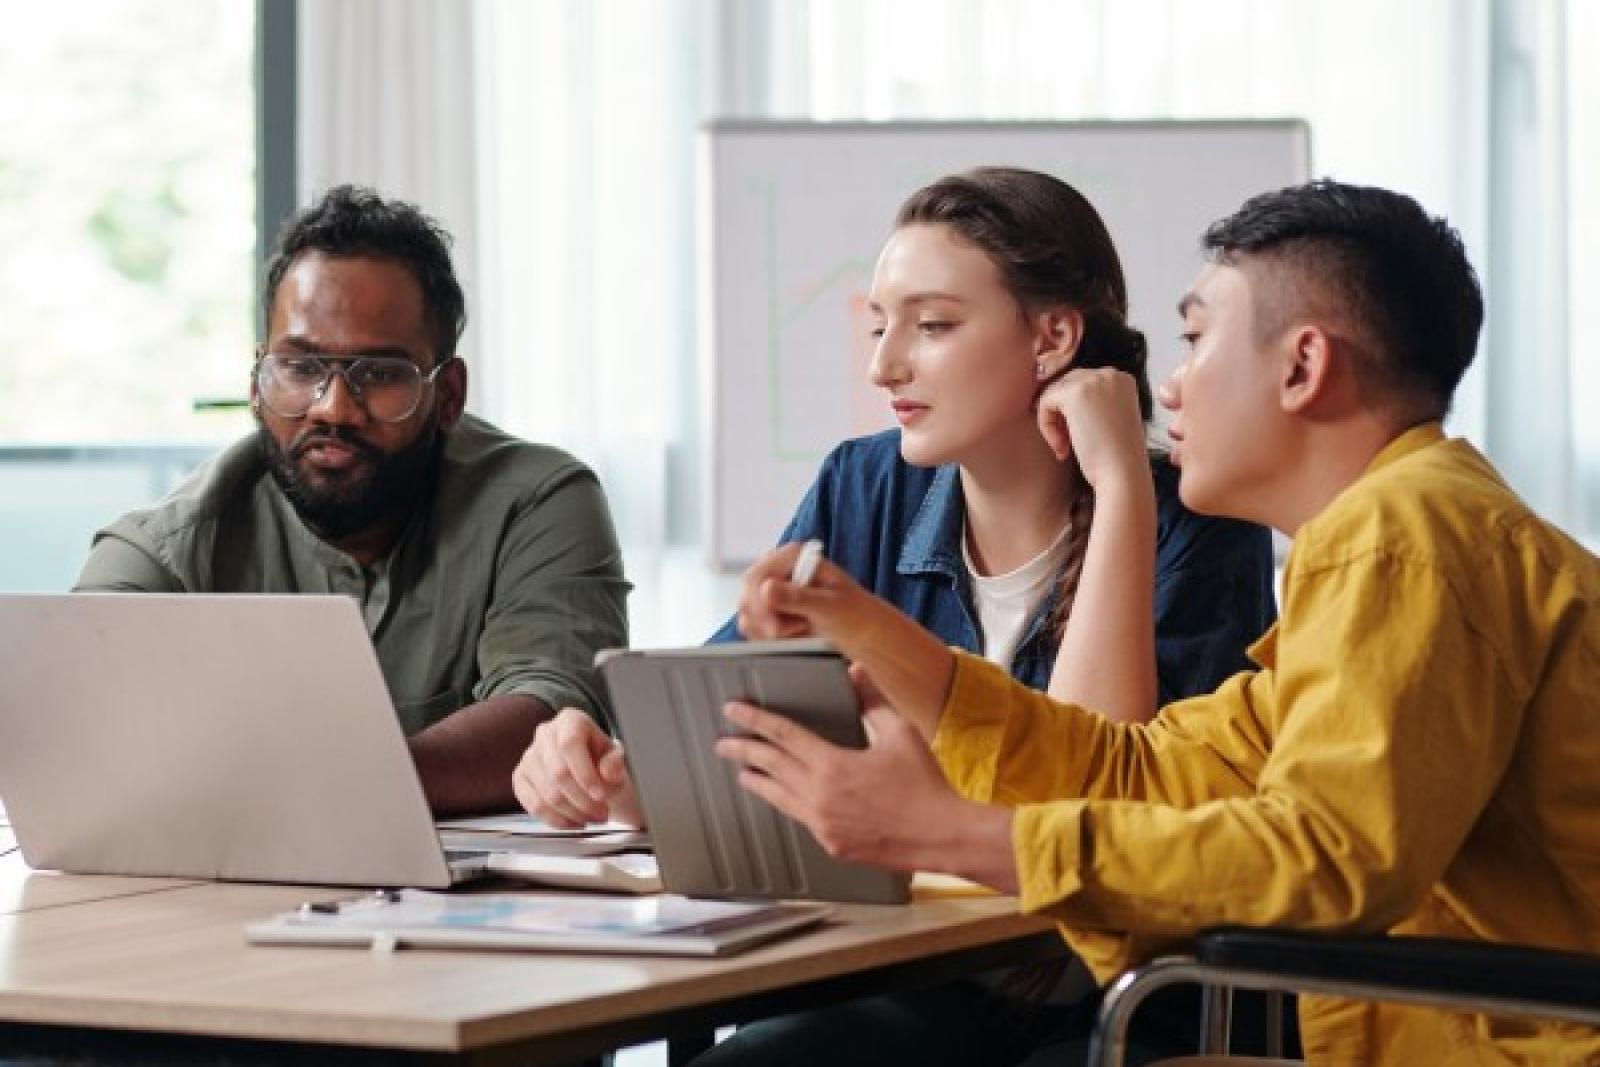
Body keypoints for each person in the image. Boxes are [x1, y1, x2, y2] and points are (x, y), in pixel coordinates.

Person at [713, 179, 1600, 1065]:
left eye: (1196, 338)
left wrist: (943, 830)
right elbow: (1148, 767)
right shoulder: (1406, 531)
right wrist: (878, 635)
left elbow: (1324, 860)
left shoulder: (1400, 537)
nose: (1168, 385)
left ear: (1302, 366)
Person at [514, 168, 1277, 1063]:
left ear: (1053, 337)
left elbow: (1088, 790)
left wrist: (1118, 490)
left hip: (1113, 1006)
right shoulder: (862, 485)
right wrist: (621, 769)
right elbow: (734, 726)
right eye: (881, 324)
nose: (884, 364)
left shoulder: (1194, 522)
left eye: (934, 325)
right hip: (906, 983)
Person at [75, 185, 630, 817]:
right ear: (258, 384)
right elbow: (74, 705)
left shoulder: (537, 501)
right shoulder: (165, 547)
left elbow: (554, 713)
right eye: (301, 368)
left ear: (448, 394)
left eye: (380, 374)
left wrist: (321, 786)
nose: (333, 407)